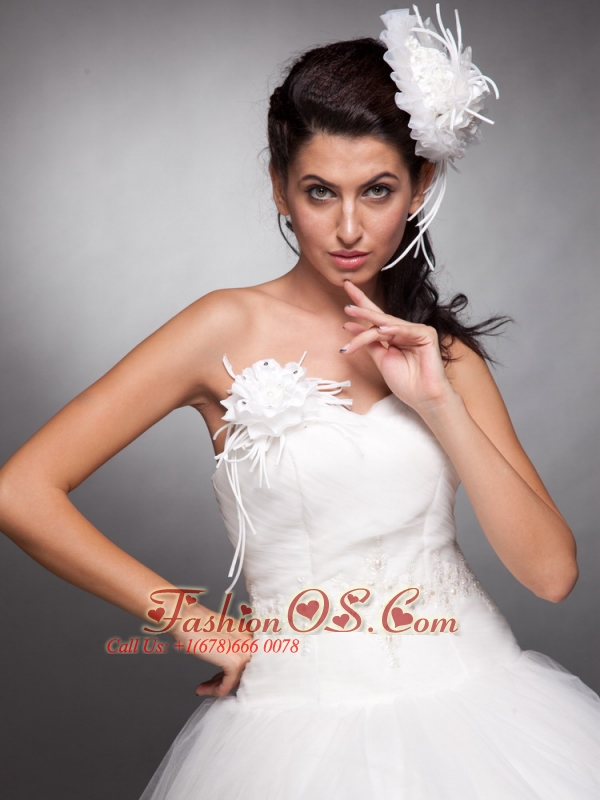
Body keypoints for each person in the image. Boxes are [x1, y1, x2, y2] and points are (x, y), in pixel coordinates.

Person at [1, 6, 599, 798]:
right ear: (280, 189)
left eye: (378, 191)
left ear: (420, 186)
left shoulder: (442, 356)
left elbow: (552, 575)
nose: (349, 228)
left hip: (481, 702)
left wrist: (439, 404)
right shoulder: (222, 327)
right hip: (294, 729)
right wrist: (195, 622)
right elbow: (20, 491)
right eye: (320, 192)